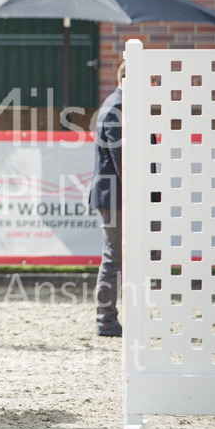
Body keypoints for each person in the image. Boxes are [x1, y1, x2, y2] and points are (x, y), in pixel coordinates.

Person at [90, 60, 124, 337]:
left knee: (115, 258)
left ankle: (108, 319)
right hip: (117, 195)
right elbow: (122, 158)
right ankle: (106, 321)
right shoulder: (117, 109)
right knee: (114, 258)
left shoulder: (118, 105)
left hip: (117, 194)